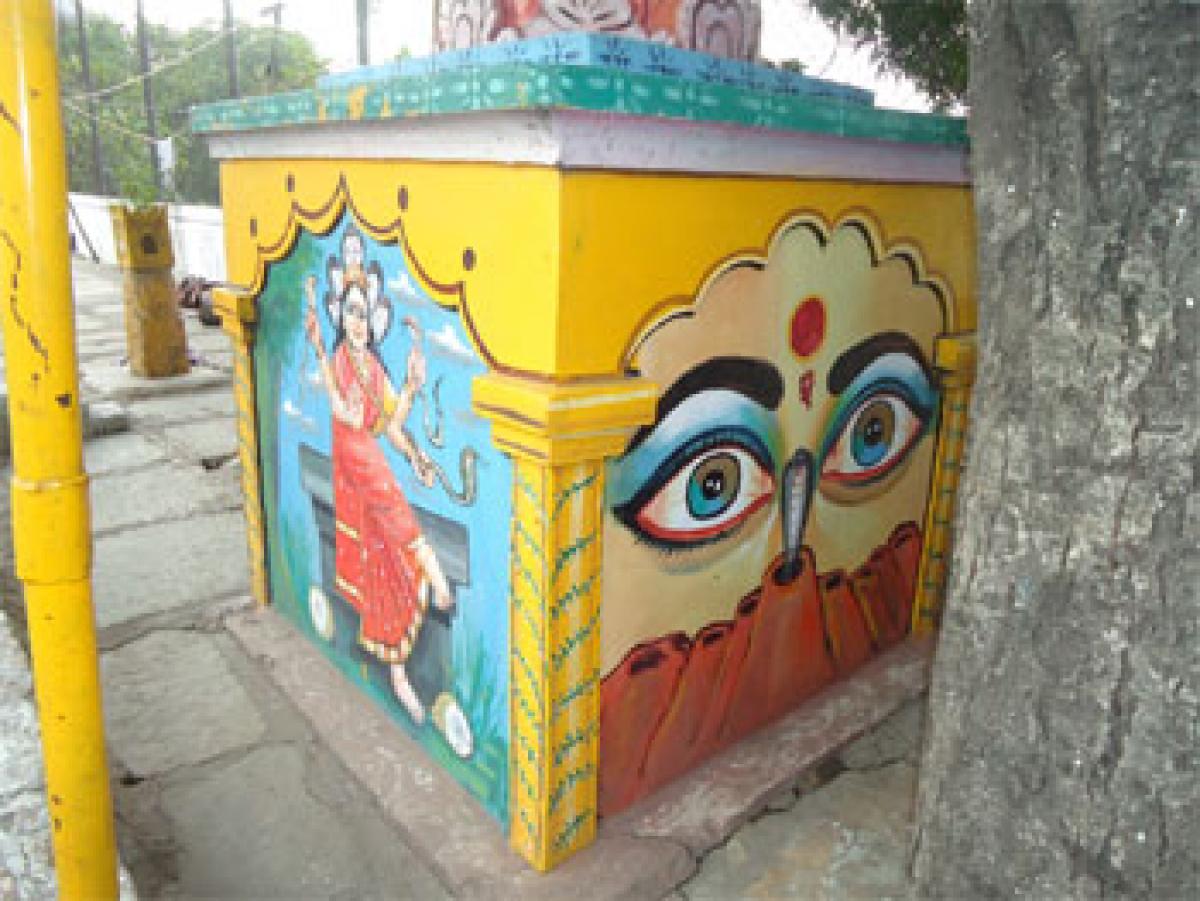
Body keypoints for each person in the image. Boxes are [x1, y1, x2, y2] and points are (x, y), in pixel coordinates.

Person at [303, 266, 454, 726]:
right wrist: (328, 374)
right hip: (354, 464)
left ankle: (397, 672)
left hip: (371, 460)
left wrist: (409, 390)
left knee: (386, 566)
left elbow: (391, 424)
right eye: (350, 313)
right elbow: (342, 412)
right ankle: (428, 562)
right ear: (339, 318)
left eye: (364, 315)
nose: (357, 323)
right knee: (387, 501)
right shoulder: (340, 363)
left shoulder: (372, 365)